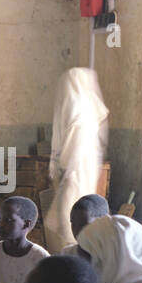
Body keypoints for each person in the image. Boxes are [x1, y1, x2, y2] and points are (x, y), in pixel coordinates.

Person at [44, 68, 108, 249]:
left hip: (76, 173)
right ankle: (68, 251)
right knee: (61, 216)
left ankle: (72, 251)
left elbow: (76, 150)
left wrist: (64, 169)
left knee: (67, 215)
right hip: (76, 172)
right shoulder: (86, 115)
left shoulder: (80, 118)